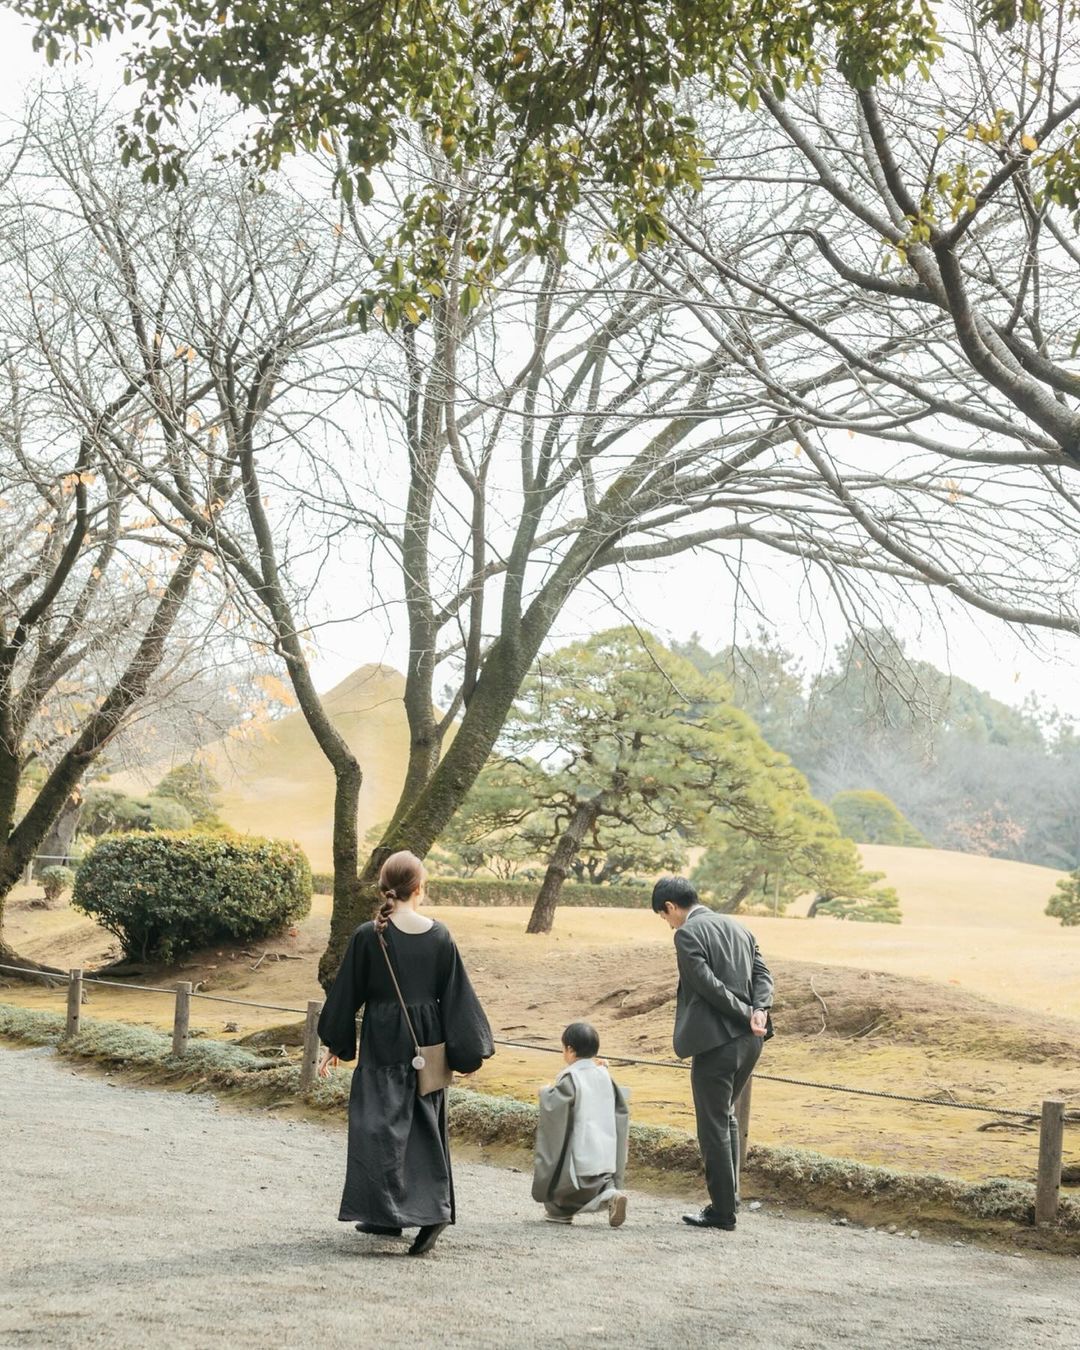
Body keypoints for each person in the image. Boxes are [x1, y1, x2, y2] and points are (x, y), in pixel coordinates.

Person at [316, 850, 494, 1255]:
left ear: (386, 888)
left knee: (375, 1123)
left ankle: (419, 1213)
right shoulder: (439, 935)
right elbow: (457, 997)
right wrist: (466, 1053)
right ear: (419, 889)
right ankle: (394, 1215)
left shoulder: (368, 935)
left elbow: (347, 993)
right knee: (425, 1126)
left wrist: (335, 1044)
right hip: (426, 1041)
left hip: (383, 1037)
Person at [652, 875, 773, 1233]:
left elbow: (707, 986)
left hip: (717, 1041)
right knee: (727, 1116)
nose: (668, 923)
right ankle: (729, 1198)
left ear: (671, 907)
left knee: (713, 1124)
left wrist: (746, 1013)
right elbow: (763, 976)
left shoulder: (687, 934)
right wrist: (760, 1010)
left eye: (664, 916)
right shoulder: (739, 928)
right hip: (751, 1041)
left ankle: (722, 1211)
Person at [532, 1021, 630, 1227]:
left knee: (558, 1203)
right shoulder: (604, 1075)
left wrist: (544, 1093)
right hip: (604, 1155)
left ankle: (562, 1212)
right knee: (604, 1183)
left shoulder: (572, 1078)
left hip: (579, 1161)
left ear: (569, 1049)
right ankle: (610, 1194)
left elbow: (556, 1104)